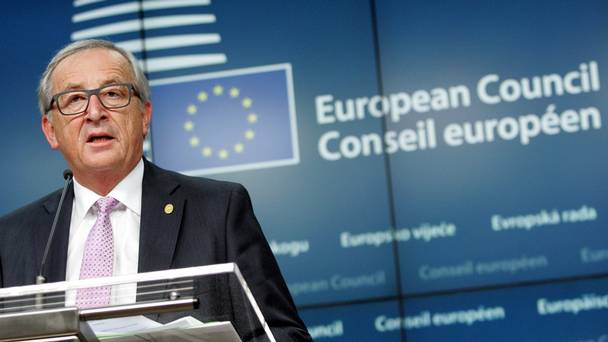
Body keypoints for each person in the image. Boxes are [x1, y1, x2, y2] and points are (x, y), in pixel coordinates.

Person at [0, 39, 311, 340]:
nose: (94, 112)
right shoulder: (11, 238)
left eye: (112, 93)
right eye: (75, 99)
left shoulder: (220, 209)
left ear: (144, 116)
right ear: (51, 131)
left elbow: (282, 334)